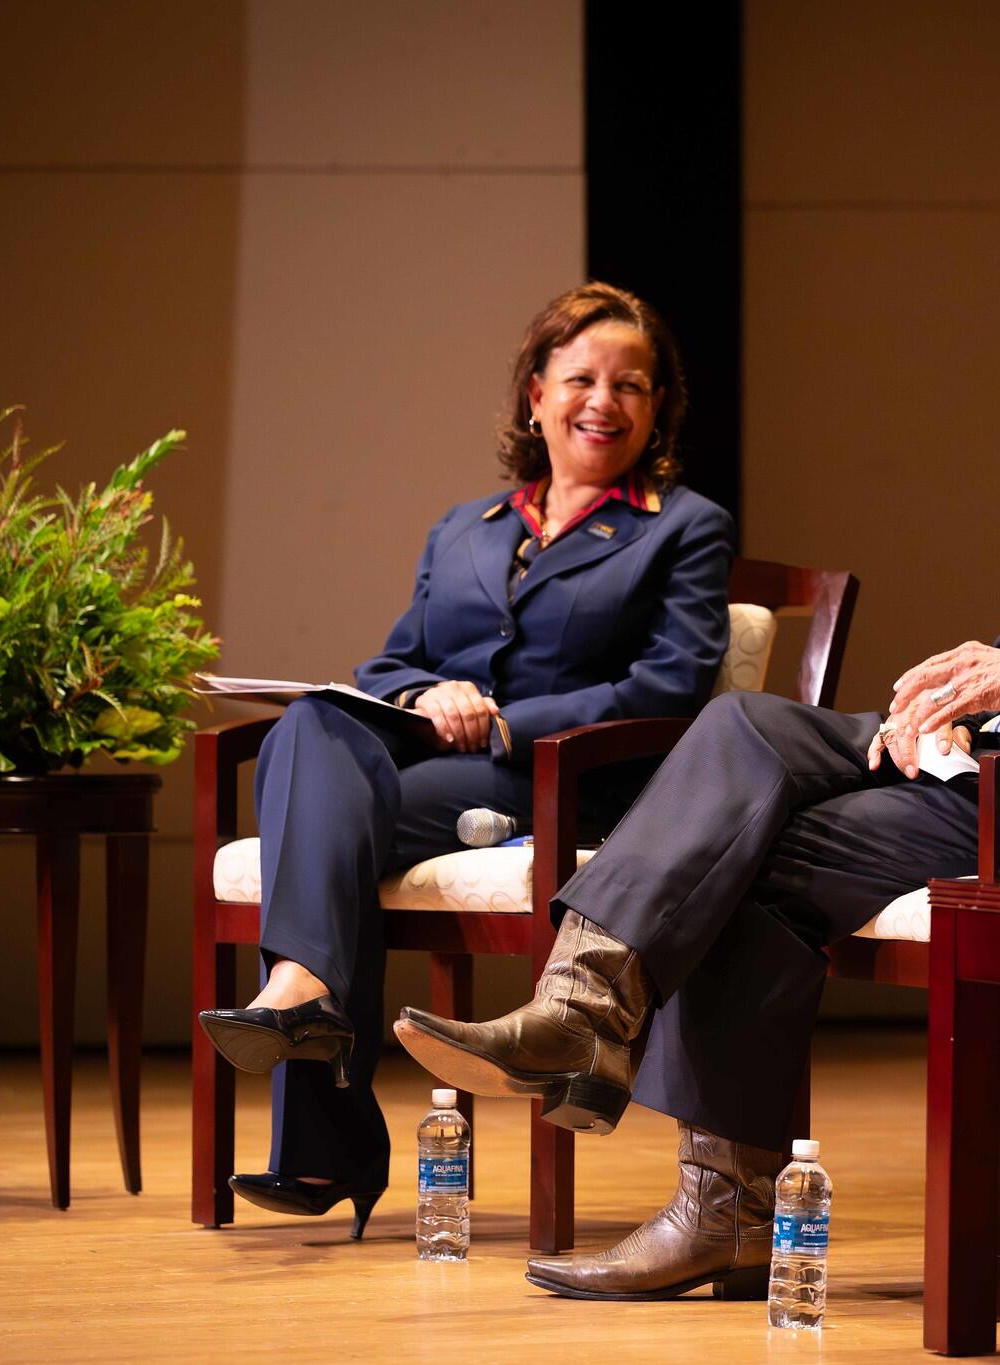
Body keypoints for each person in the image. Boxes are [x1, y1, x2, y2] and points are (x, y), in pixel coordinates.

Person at [397, 227, 1000, 1299]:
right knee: (743, 727)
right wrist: (942, 710)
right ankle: (581, 1010)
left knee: (762, 859)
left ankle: (716, 1210)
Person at [197, 282, 735, 1238]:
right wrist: (420, 696)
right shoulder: (466, 528)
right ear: (537, 394)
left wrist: (501, 720)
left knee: (313, 795)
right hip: (431, 768)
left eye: (632, 385)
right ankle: (307, 1004)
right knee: (309, 726)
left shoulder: (682, 525)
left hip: (559, 778)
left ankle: (321, 1125)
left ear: (658, 410)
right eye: (580, 378)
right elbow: (392, 662)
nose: (603, 401)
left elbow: (671, 688)